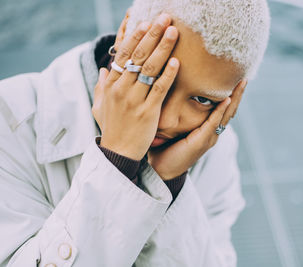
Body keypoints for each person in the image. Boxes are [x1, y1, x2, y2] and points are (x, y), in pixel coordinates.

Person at [0, 0, 270, 266]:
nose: (162, 120)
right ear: (125, 30)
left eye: (201, 100)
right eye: (157, 75)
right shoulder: (9, 120)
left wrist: (168, 183)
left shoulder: (217, 151)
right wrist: (117, 159)